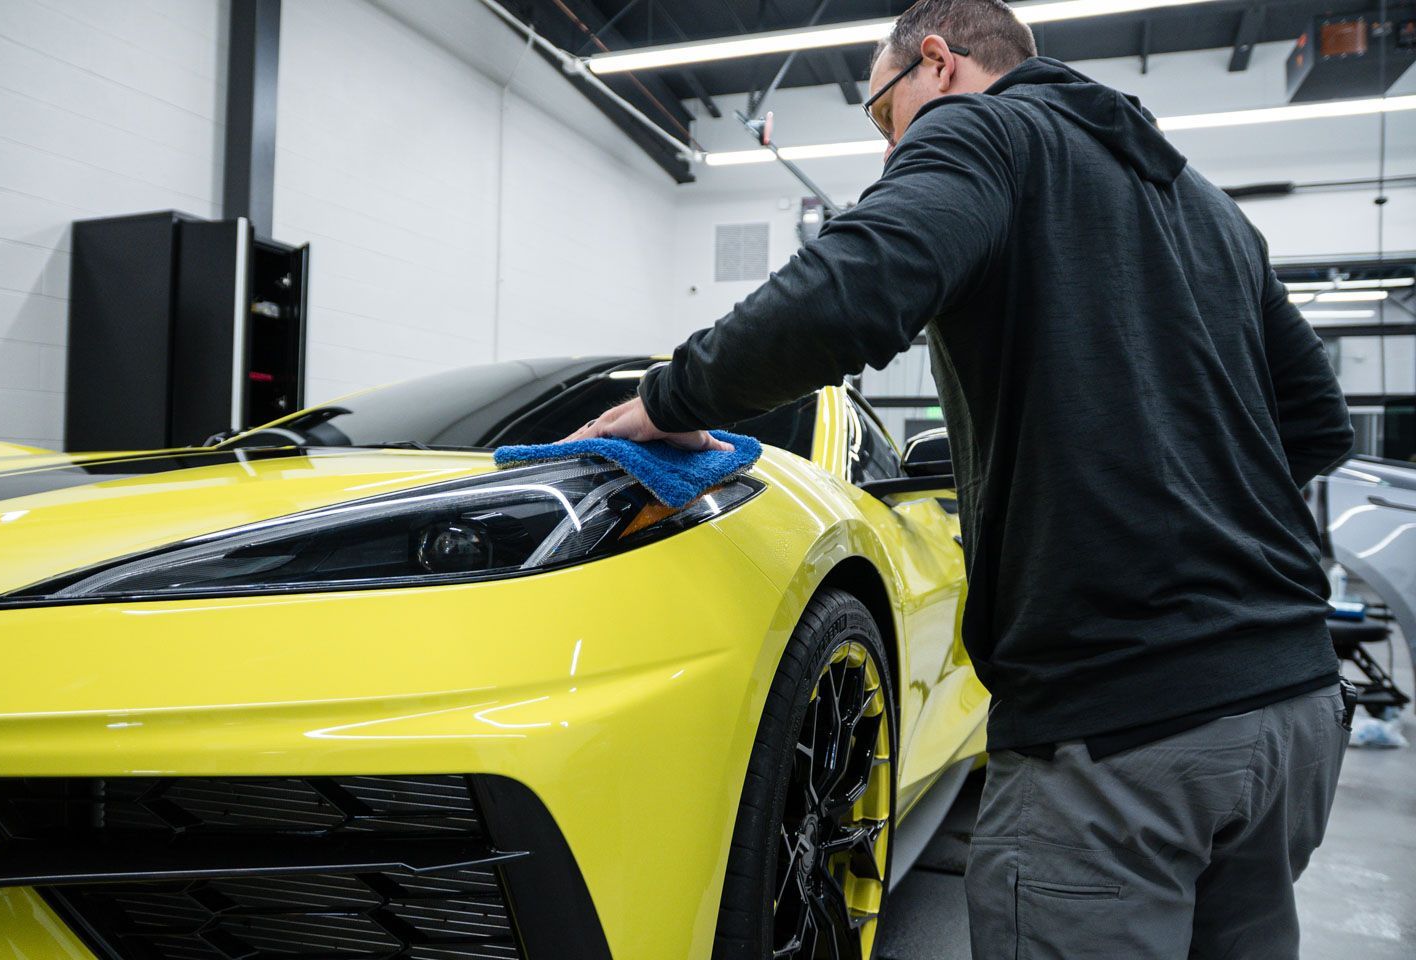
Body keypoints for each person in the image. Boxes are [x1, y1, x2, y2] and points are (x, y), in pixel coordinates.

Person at [564, 1, 1355, 956]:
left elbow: (854, 288)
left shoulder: (983, 127)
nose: (888, 145)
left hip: (1121, 728)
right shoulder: (1210, 209)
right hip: (1293, 713)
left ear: (936, 63)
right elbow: (1318, 422)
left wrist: (672, 398)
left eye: (879, 113)